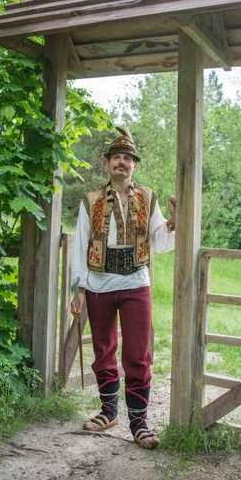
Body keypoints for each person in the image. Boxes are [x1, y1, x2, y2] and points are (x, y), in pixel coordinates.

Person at [70, 127, 176, 449]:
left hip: (135, 284)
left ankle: (140, 423)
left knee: (137, 354)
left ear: (135, 165)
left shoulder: (148, 197)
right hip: (99, 284)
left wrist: (173, 222)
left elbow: (159, 243)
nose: (122, 162)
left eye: (127, 158)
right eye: (116, 157)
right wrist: (78, 287)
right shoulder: (91, 201)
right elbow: (80, 246)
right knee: (104, 350)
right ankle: (108, 411)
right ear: (107, 164)